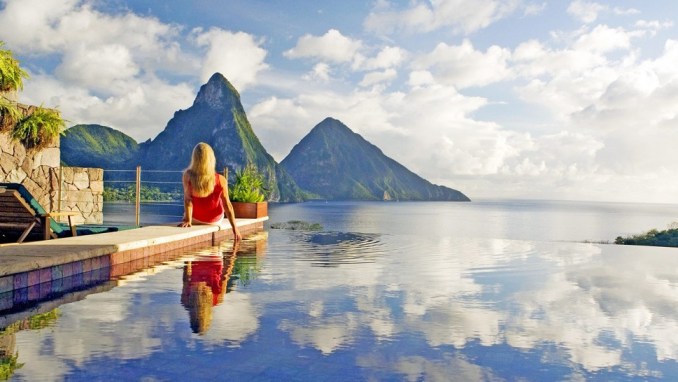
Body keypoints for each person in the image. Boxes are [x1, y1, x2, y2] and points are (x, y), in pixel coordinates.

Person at [179, 142, 242, 242]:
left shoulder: (187, 176)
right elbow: (227, 205)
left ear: (194, 158)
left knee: (184, 215)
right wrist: (235, 228)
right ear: (211, 159)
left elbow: (188, 200)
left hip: (196, 219)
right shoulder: (220, 179)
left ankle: (187, 218)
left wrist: (188, 220)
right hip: (215, 220)